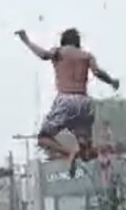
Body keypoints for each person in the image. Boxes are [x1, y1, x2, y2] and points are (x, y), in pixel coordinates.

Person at [15, 27, 119, 177]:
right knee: (86, 153)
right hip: (85, 103)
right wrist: (112, 81)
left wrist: (26, 41)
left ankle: (70, 152)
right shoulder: (87, 56)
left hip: (66, 100)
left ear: (63, 41)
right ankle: (106, 151)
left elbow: (43, 55)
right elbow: (97, 73)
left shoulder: (60, 52)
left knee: (43, 138)